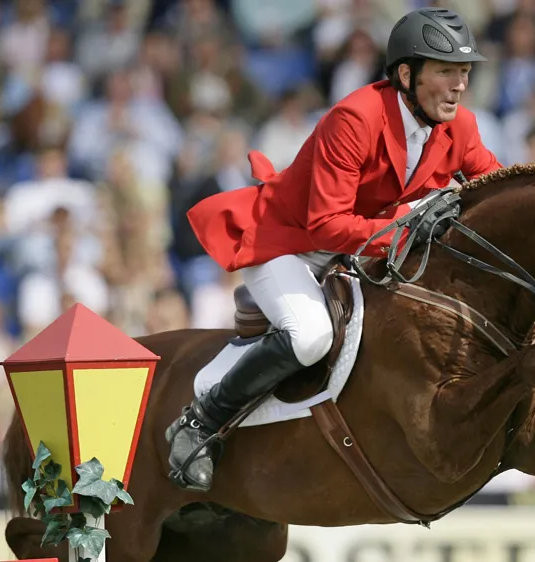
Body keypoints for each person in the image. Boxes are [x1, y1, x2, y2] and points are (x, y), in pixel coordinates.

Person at [165, 7, 503, 492]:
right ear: (406, 75)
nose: (460, 86)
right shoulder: (355, 119)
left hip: (354, 250)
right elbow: (325, 226)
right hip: (286, 242)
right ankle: (199, 422)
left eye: (465, 72)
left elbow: (498, 191)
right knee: (310, 337)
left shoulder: (460, 127)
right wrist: (407, 229)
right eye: (447, 72)